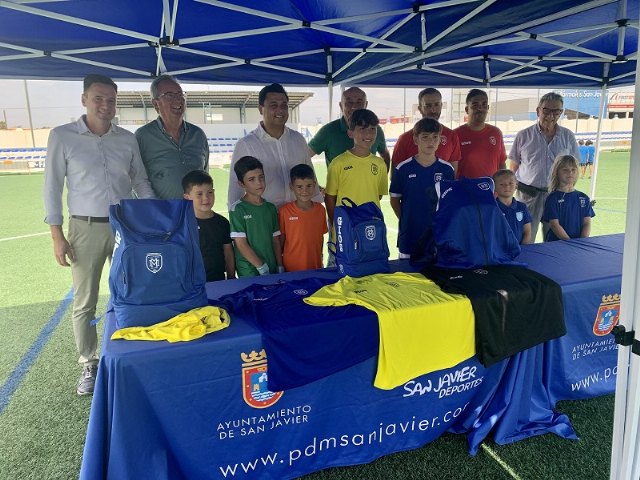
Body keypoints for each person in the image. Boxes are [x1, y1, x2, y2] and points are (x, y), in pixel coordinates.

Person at [43, 74, 155, 395]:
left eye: (111, 99)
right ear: (84, 100)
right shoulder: (63, 137)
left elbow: (141, 181)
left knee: (132, 292)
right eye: (98, 99)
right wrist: (56, 234)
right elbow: (52, 187)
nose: (105, 106)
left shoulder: (126, 139)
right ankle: (88, 363)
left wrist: (152, 217)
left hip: (126, 226)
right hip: (84, 228)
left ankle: (132, 353)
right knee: (85, 300)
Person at [228, 83, 319, 209]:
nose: (280, 110)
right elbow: (235, 189)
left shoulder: (298, 140)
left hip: (298, 217)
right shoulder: (246, 145)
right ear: (261, 109)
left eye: (284, 106)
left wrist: (316, 209)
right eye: (273, 105)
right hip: (264, 220)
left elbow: (311, 176)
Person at [509, 92, 580, 241]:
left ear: (561, 112)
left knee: (555, 239)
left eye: (556, 111)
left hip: (557, 196)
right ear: (538, 110)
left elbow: (574, 167)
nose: (551, 115)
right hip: (528, 195)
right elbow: (513, 167)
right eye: (546, 110)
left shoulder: (568, 136)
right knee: (525, 239)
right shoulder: (523, 135)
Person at [325, 109, 389, 258]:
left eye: (372, 129)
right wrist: (338, 224)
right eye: (362, 129)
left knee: (371, 271)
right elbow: (329, 198)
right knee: (342, 272)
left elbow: (377, 195)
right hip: (345, 229)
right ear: (350, 133)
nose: (368, 134)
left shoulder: (379, 164)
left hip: (370, 226)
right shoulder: (338, 163)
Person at [136, 74, 209, 199]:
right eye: (169, 95)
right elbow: (137, 180)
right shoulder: (142, 136)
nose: (178, 99)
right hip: (160, 215)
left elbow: (205, 177)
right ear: (155, 104)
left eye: (180, 94)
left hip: (194, 215)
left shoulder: (198, 135)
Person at [389, 118, 455, 258]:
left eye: (435, 137)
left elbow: (449, 203)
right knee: (408, 275)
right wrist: (406, 220)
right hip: (409, 235)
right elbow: (394, 200)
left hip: (437, 234)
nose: (430, 142)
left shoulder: (447, 169)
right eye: (425, 137)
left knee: (437, 276)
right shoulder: (402, 169)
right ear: (415, 140)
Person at [308, 86, 391, 170]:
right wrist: (313, 182)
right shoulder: (328, 131)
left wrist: (382, 177)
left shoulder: (376, 130)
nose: (354, 106)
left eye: (359, 102)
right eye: (349, 102)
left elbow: (385, 155)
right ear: (341, 106)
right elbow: (305, 156)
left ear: (366, 104)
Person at [229, 156, 284, 277]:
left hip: (271, 268)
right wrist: (261, 267)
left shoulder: (270, 208)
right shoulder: (237, 209)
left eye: (261, 177)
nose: (258, 182)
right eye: (251, 179)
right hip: (249, 271)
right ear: (241, 183)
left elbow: (275, 240)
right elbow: (241, 244)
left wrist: (280, 265)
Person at [391, 88, 461, 175]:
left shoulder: (451, 136)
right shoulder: (405, 139)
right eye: (428, 105)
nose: (433, 110)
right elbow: (396, 175)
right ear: (420, 108)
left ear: (441, 106)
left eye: (436, 105)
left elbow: (452, 175)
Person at [182, 170, 235, 282]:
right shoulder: (183, 224)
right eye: (199, 194)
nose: (206, 198)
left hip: (218, 280)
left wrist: (231, 277)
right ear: (187, 197)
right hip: (192, 283)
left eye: (210, 192)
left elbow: (228, 253)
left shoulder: (222, 223)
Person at [278, 164, 328, 272]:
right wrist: (280, 264)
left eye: (309, 186)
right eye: (299, 186)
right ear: (291, 187)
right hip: (292, 267)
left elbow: (321, 237)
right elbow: (281, 240)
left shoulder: (320, 209)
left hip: (315, 265)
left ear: (314, 185)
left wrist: (321, 256)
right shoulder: (284, 211)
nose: (304, 191)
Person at [454, 89, 506, 179]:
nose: (480, 108)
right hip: (465, 191)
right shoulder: (455, 135)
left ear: (488, 108)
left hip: (491, 192)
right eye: (475, 105)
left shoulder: (496, 133)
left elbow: (502, 163)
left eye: (484, 104)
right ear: (467, 109)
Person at [542, 154, 595, 242]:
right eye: (565, 170)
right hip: (557, 245)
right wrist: (569, 242)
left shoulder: (583, 198)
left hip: (578, 245)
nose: (570, 173)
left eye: (573, 170)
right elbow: (554, 225)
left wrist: (582, 241)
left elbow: (587, 223)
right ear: (557, 172)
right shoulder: (552, 198)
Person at [493, 169, 532, 245]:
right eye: (501, 184)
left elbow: (527, 231)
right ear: (494, 187)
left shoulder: (522, 207)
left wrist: (522, 248)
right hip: (498, 252)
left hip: (520, 250)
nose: (507, 186)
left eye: (510, 183)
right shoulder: (492, 209)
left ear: (516, 185)